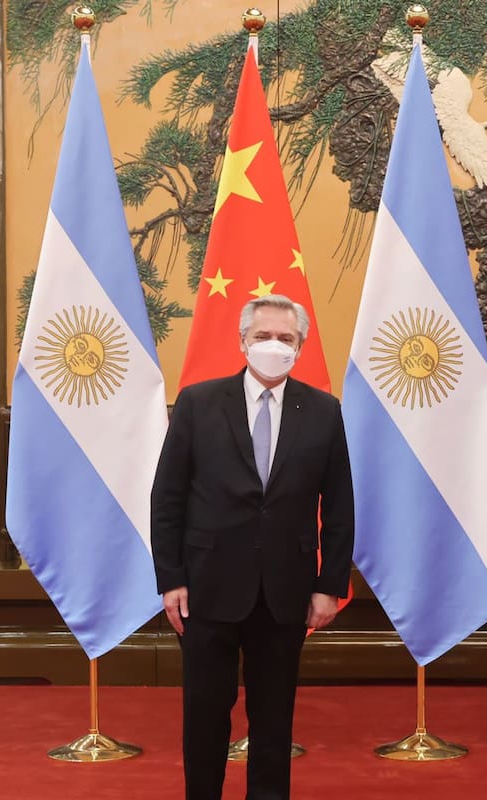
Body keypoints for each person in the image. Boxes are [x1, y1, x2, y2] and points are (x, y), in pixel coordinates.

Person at [151, 294, 354, 800]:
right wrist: (170, 578)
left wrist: (330, 586)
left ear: (300, 347)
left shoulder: (325, 412)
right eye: (262, 336)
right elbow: (167, 498)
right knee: (205, 712)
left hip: (285, 591)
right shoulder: (198, 404)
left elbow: (341, 506)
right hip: (206, 587)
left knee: (273, 719)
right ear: (242, 342)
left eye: (285, 339)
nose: (273, 346)